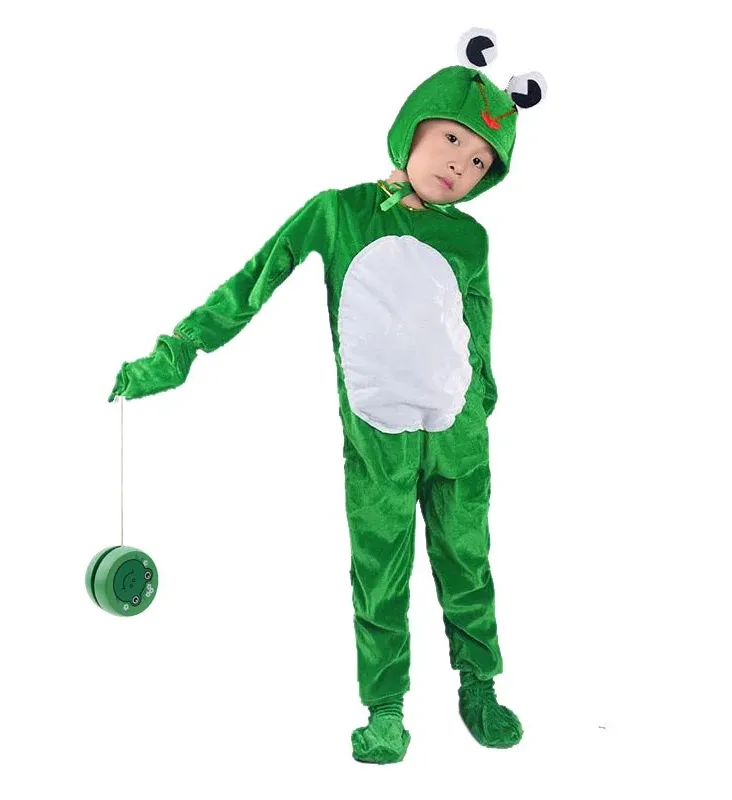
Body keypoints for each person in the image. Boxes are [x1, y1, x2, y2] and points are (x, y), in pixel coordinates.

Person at [108, 28, 547, 764]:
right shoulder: (339, 212)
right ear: (413, 128)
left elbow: (478, 322)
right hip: (379, 436)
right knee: (380, 568)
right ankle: (386, 708)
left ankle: (479, 684)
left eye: (479, 161)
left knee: (469, 562)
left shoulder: (471, 239)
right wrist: (177, 351)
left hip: (460, 433)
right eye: (451, 139)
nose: (460, 165)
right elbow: (252, 281)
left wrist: (487, 392)